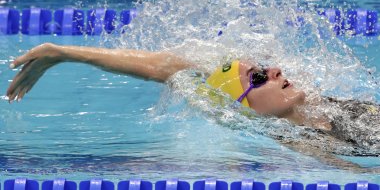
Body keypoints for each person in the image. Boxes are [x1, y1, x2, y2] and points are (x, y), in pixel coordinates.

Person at [5, 43, 380, 171]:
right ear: (241, 105)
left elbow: (164, 66)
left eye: (266, 67)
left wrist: (65, 52)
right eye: (259, 76)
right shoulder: (299, 140)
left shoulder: (331, 107)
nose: (276, 70)